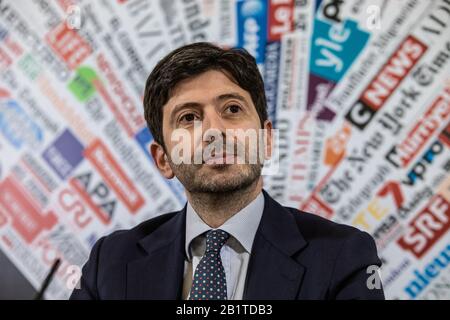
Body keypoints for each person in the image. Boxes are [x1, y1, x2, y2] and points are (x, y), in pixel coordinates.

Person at [70, 42, 384, 300]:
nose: (214, 131)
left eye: (232, 109)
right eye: (189, 117)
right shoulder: (109, 263)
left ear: (266, 140)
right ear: (163, 158)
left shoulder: (344, 257)